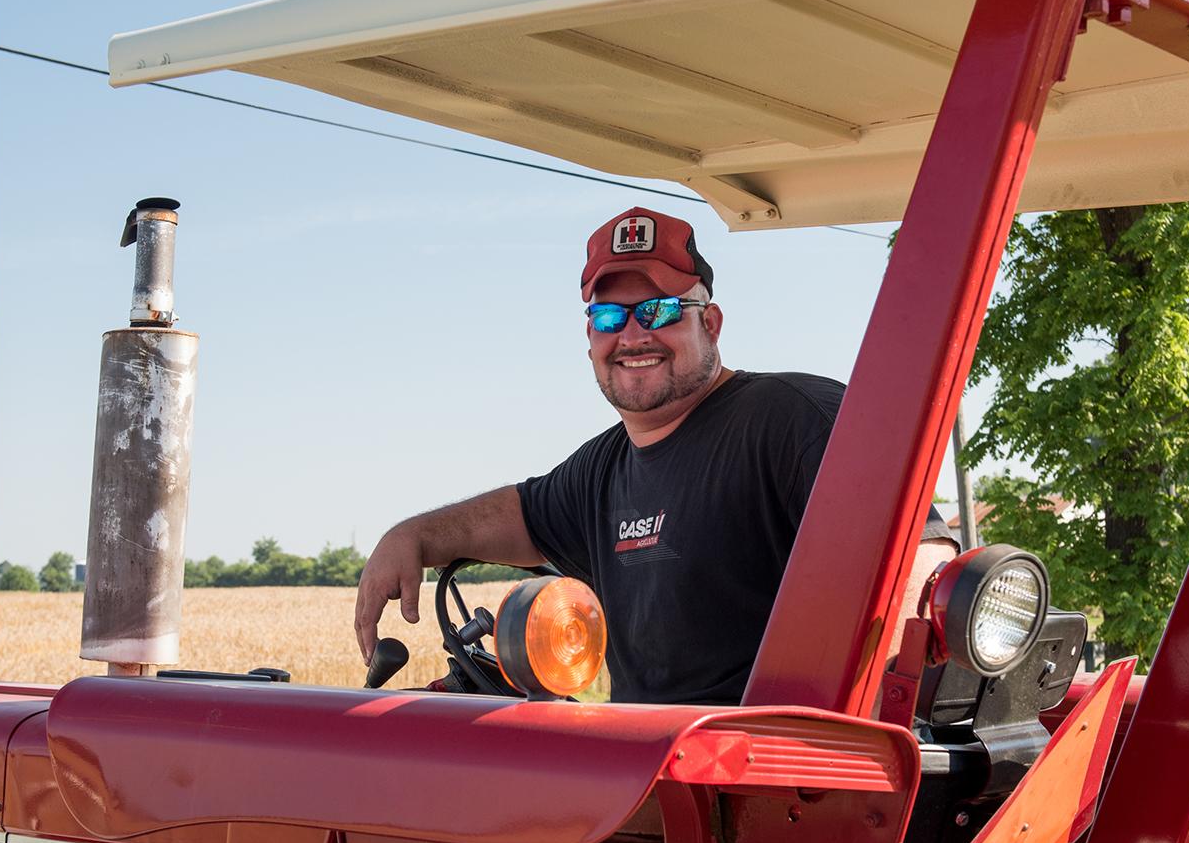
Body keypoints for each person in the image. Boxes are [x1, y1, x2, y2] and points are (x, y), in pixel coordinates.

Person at [353, 207, 955, 704]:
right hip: (648, 789)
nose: (634, 335)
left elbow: (917, 562)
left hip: (776, 788)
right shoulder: (600, 471)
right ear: (590, 337)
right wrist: (414, 535)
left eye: (661, 310)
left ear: (711, 324)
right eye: (610, 315)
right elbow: (521, 514)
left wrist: (846, 731)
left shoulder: (795, 417)